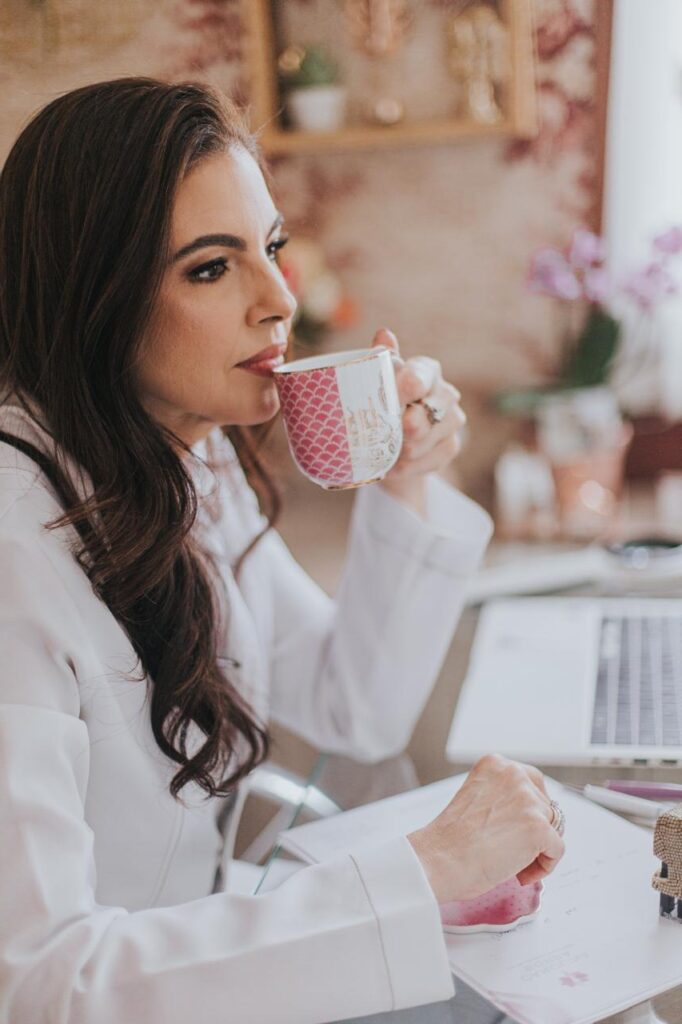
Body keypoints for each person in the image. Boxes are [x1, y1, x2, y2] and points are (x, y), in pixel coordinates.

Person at [0, 78, 565, 1024]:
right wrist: (425, 868)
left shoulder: (185, 461)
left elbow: (357, 707)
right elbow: (40, 983)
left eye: (272, 249)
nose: (279, 300)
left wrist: (404, 483)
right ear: (90, 294)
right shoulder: (15, 546)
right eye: (211, 269)